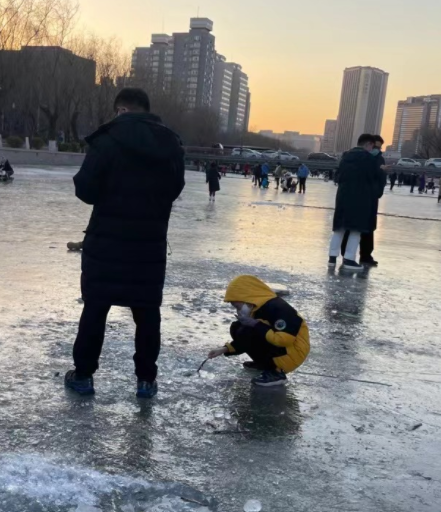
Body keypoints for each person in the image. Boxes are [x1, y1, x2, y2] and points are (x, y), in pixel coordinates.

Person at [65, 88, 185, 399]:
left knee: (95, 309)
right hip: (149, 246)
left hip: (106, 244)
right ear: (147, 110)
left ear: (121, 110)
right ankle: (146, 381)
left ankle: (83, 376)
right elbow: (175, 189)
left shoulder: (107, 140)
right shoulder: (171, 144)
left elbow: (86, 190)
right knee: (147, 314)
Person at [206, 275, 310, 387]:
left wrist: (255, 324)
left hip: (293, 353)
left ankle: (276, 372)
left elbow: (284, 340)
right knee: (237, 327)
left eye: (238, 306)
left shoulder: (279, 308)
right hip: (283, 351)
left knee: (249, 329)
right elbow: (246, 338)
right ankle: (265, 364)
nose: (238, 310)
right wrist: (224, 349)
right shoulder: (257, 308)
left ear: (247, 298)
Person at [328, 134, 386, 271]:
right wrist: (382, 172)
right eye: (373, 146)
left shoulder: (345, 157)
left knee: (339, 229)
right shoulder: (369, 159)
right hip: (360, 199)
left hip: (342, 197)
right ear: (369, 145)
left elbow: (338, 177)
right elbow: (373, 179)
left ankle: (332, 257)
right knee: (356, 230)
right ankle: (349, 259)